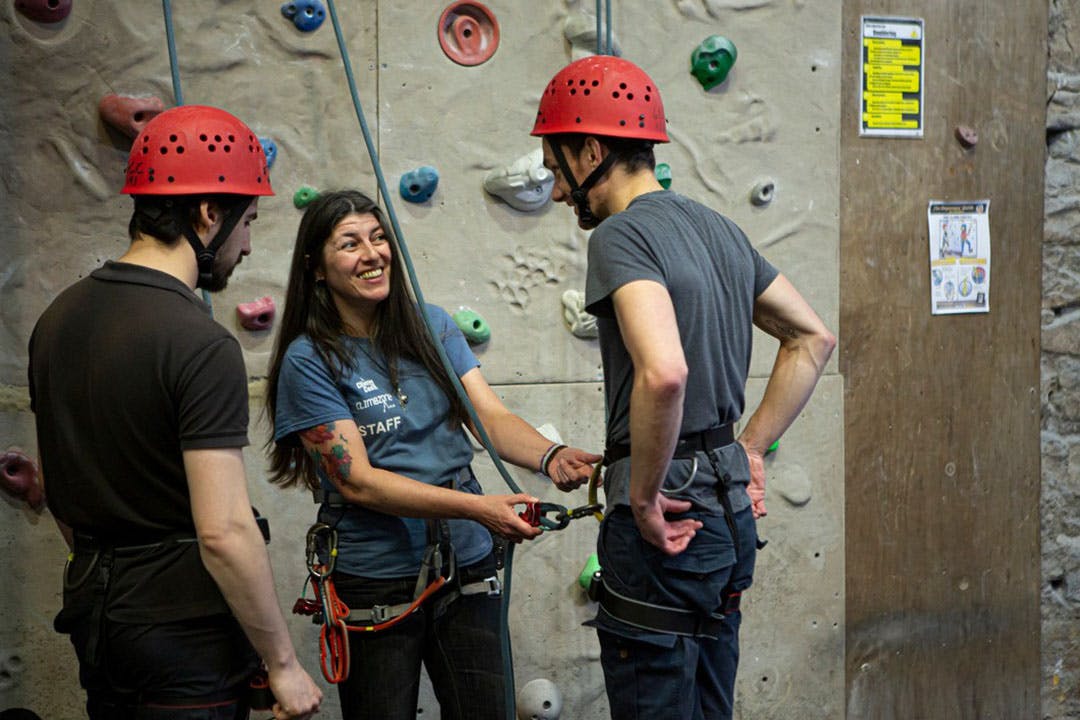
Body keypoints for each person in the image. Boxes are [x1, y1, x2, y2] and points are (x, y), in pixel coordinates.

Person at [530, 56, 837, 720]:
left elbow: (664, 371)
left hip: (667, 520)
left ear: (591, 151)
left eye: (557, 169)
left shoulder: (620, 235)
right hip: (726, 516)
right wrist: (748, 449)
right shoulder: (720, 228)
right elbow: (812, 338)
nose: (555, 192)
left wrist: (643, 497)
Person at [28, 105, 323, 720]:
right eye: (248, 222)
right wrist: (282, 663)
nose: (248, 244)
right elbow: (224, 531)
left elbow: (59, 485)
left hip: (99, 622)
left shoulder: (56, 320)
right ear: (209, 213)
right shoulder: (200, 343)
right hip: (185, 642)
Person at [264, 189, 601, 720]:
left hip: (466, 563)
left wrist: (550, 455)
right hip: (376, 575)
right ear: (317, 268)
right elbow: (356, 480)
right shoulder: (310, 359)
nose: (372, 254)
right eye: (350, 244)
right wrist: (476, 508)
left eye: (378, 238)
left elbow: (489, 417)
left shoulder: (432, 326)